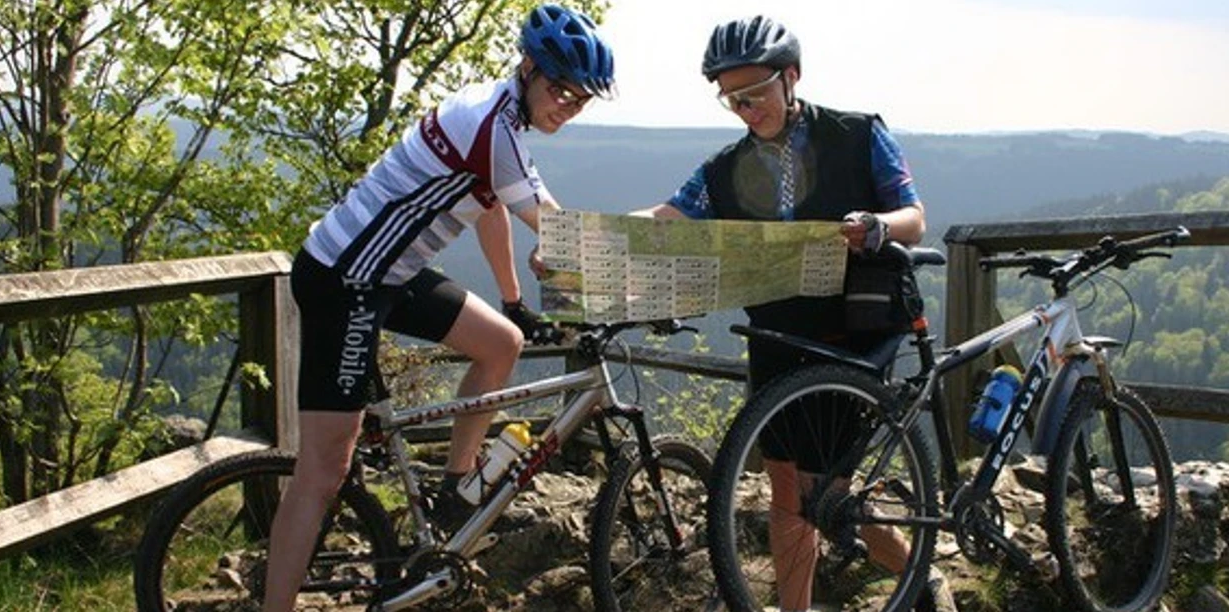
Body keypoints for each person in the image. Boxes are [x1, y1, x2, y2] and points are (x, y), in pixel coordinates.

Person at [260, 5, 614, 610]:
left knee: (501, 343)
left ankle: (456, 489)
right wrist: (624, 271)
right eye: (560, 88)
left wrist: (511, 298)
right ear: (527, 66)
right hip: (346, 279)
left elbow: (494, 205)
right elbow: (556, 227)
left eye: (581, 99)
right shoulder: (492, 127)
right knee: (323, 472)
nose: (567, 105)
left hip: (387, 274)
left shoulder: (501, 110)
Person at [633, 15, 934, 612]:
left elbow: (914, 215)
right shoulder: (723, 168)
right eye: (732, 99)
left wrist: (875, 227)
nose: (746, 109)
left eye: (756, 93)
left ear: (791, 77)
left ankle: (917, 575)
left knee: (829, 496)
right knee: (785, 492)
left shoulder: (857, 134)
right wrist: (580, 242)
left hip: (851, 333)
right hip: (774, 335)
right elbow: (669, 217)